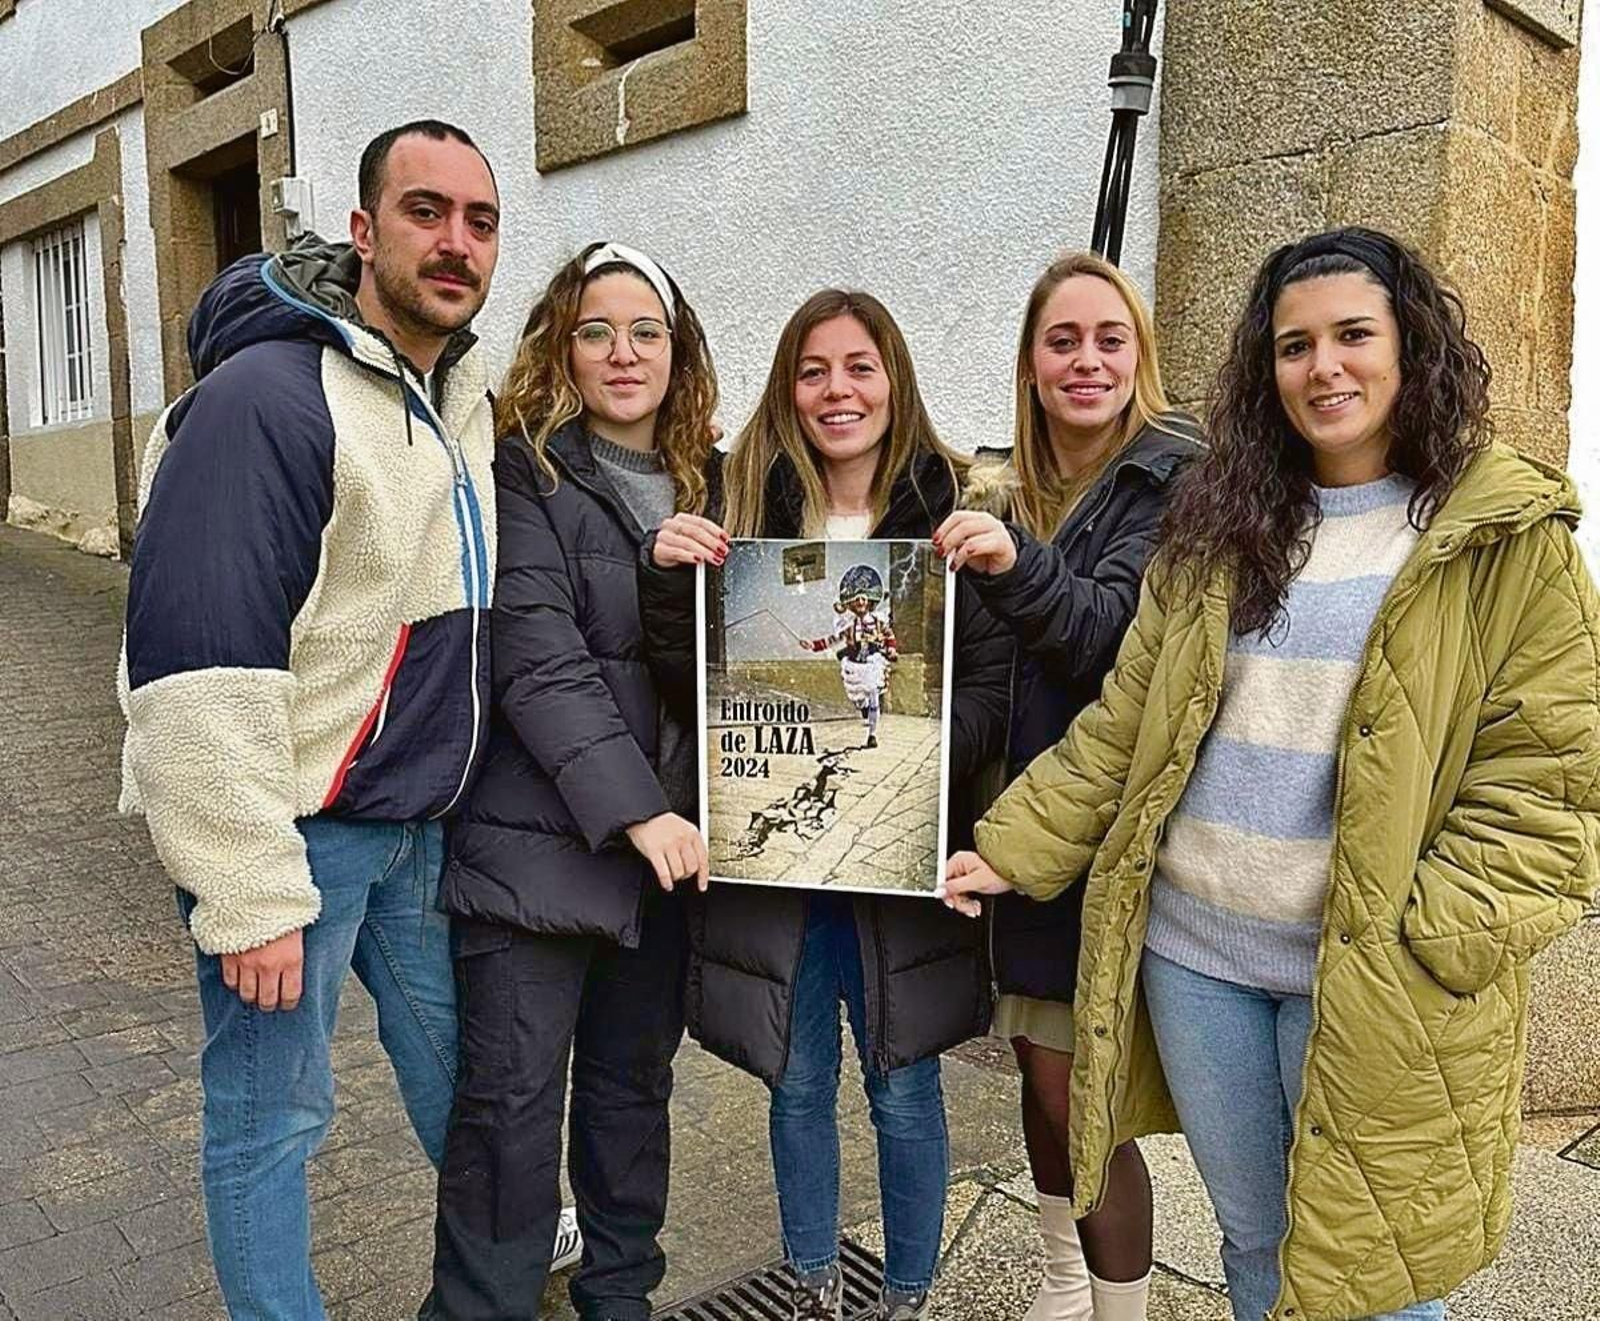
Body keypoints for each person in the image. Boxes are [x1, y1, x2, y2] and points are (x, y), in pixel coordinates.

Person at [940, 227, 1600, 1321]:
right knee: (1254, 1241)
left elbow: (1550, 779)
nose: (1324, 367)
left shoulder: (1502, 537)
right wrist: (1012, 846)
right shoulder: (1223, 526)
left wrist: (1427, 935)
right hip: (1198, 961)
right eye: (1295, 346)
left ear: (1411, 346)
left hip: (1371, 973)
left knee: (1370, 1275)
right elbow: (1129, 720)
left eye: (1353, 335)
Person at [120, 121, 502, 1320]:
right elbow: (197, 663)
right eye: (425, 212)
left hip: (411, 829)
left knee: (468, 1080)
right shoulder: (267, 399)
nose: (455, 242)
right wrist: (247, 892)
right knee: (270, 1119)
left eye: (479, 221)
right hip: (295, 839)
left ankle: (503, 1272)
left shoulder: (454, 396)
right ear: (362, 231)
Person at [640, 289, 1011, 1321]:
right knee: (796, 1080)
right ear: (788, 388)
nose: (836, 390)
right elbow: (691, 684)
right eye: (813, 370)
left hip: (900, 860)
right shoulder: (741, 509)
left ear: (894, 380)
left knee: (904, 1086)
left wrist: (920, 749)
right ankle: (810, 1282)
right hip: (779, 866)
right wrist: (668, 582)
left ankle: (907, 1295)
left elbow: (990, 686)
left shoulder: (952, 512)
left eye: (859, 366)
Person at [425, 241, 719, 1321]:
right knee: (508, 1114)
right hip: (537, 855)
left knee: (631, 1099)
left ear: (679, 352)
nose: (623, 352)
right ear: (564, 347)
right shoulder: (525, 472)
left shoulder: (716, 478)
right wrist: (641, 810)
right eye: (597, 331)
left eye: (646, 331)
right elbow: (537, 659)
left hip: (666, 863)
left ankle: (619, 1300)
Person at [932, 251, 1200, 1321]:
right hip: (1013, 835)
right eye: (1063, 341)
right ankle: (1060, 1285)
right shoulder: (1012, 482)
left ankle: (1117, 1309)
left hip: (1097, 839)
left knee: (1080, 1097)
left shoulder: (1175, 478)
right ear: (1031, 365)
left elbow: (1107, 642)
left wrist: (1013, 562)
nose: (1086, 361)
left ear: (1140, 358)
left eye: (1108, 339)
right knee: (1038, 1077)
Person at [799, 565, 899, 748]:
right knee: (858, 699)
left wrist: (891, 650)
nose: (861, 602)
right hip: (854, 667)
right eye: (857, 598)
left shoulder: (879, 622)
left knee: (874, 696)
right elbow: (831, 640)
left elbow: (889, 636)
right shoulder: (847, 625)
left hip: (872, 664)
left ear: (869, 601)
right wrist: (812, 645)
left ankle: (872, 735)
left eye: (864, 598)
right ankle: (863, 706)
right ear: (851, 602)